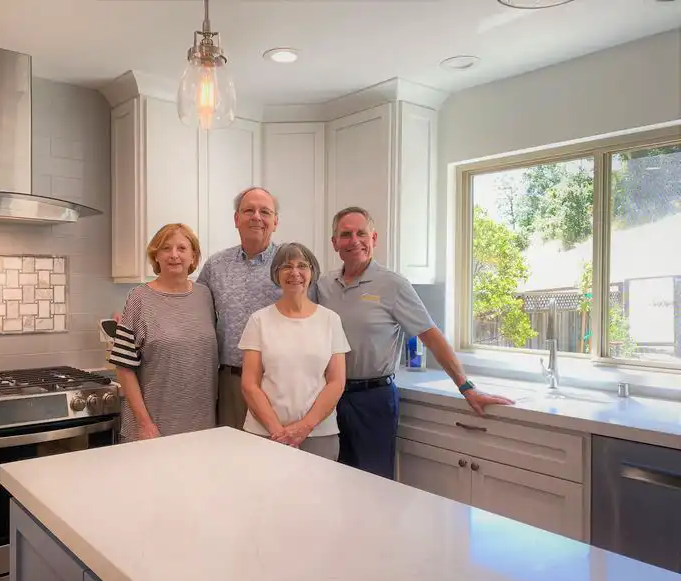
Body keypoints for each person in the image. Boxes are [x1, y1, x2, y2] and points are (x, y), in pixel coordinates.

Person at [317, 207, 513, 478]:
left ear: (374, 238)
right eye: (346, 234)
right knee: (329, 478)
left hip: (373, 398)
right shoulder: (323, 285)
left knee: (372, 483)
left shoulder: (393, 285)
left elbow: (431, 336)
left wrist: (466, 386)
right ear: (335, 243)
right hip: (327, 397)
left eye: (361, 233)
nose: (354, 241)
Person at [239, 242, 350, 460]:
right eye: (286, 266)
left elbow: (336, 381)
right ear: (276, 274)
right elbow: (249, 384)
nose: (295, 273)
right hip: (265, 433)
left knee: (318, 494)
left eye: (302, 266)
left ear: (312, 272)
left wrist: (304, 427)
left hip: (319, 433)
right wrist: (278, 432)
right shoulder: (259, 320)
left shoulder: (330, 320)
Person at [109, 223, 217, 442]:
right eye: (166, 248)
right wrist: (145, 424)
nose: (174, 255)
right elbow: (123, 367)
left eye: (182, 248)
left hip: (202, 428)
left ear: (194, 257)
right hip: (152, 429)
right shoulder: (139, 298)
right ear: (156, 256)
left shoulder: (205, 296)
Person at [197, 187, 283, 429]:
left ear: (275, 221)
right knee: (231, 458)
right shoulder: (216, 265)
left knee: (277, 459)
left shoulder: (291, 265)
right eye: (248, 210)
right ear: (236, 219)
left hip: (277, 381)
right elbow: (194, 312)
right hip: (230, 382)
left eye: (265, 212)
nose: (256, 217)